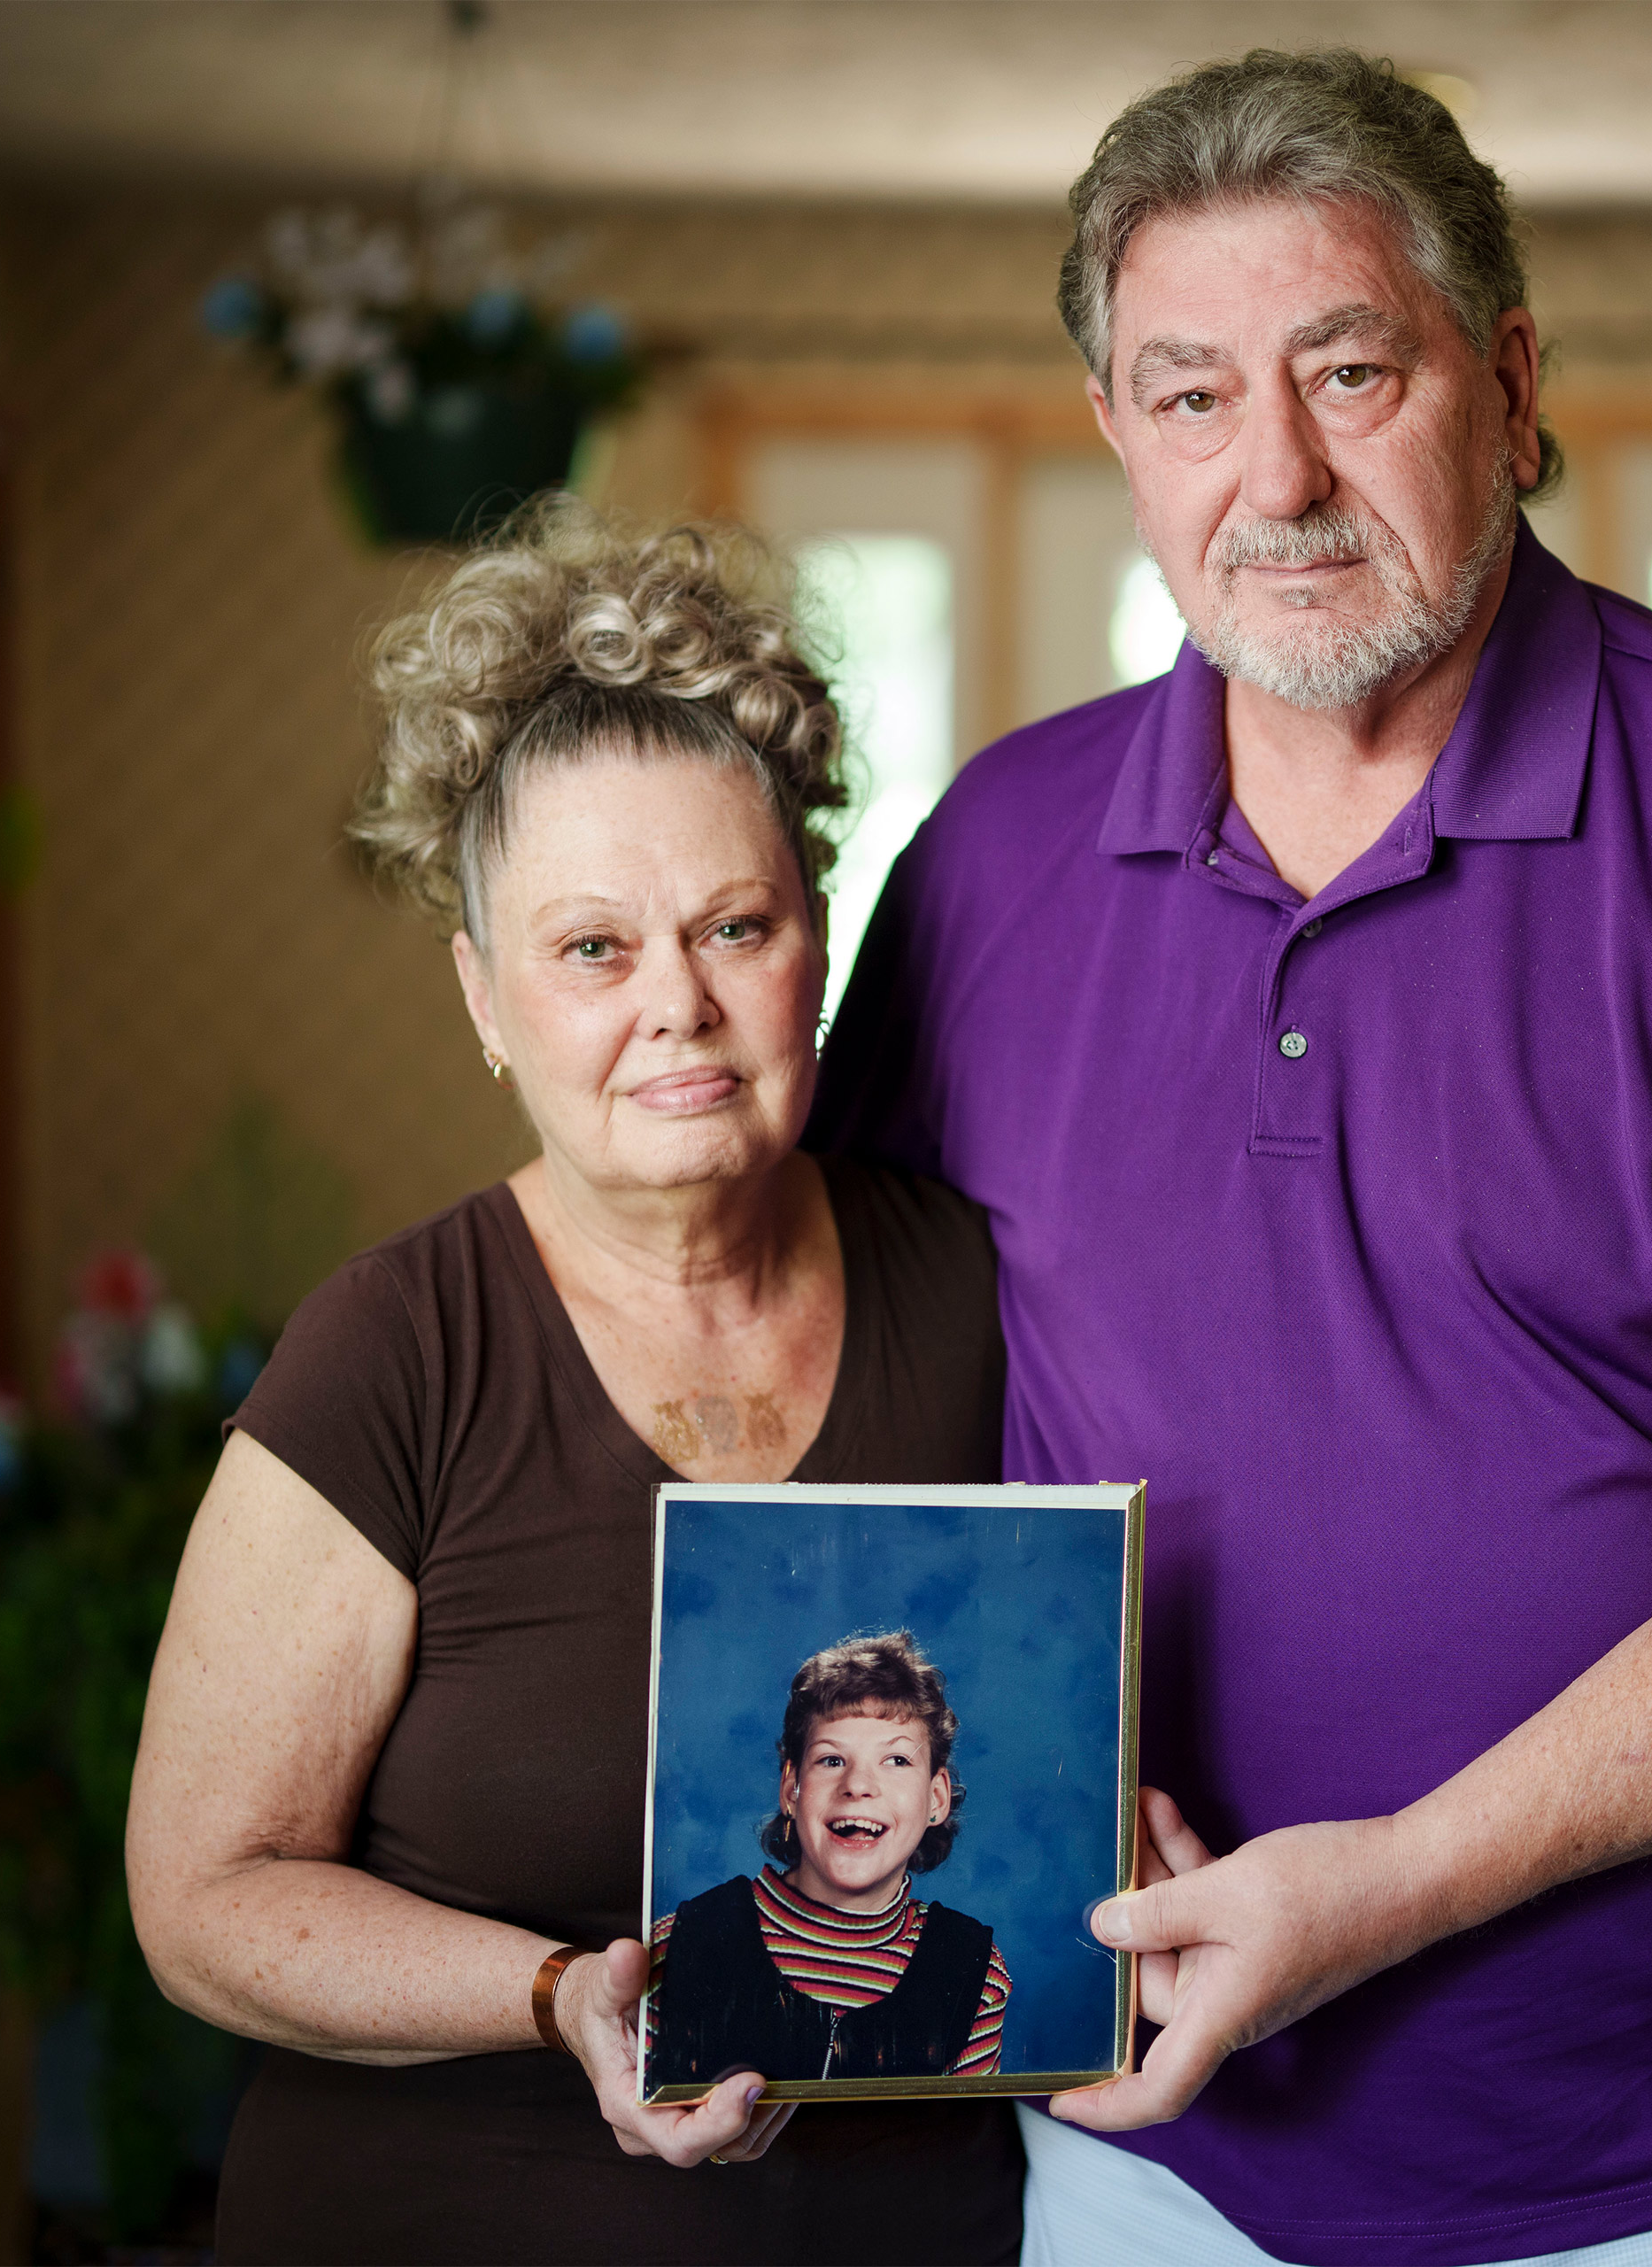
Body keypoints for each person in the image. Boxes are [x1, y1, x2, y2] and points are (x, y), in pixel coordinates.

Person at [811, 50, 1652, 2267]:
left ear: (1505, 381)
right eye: (1189, 395)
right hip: (1136, 2126)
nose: (1275, 475)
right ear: (1119, 434)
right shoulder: (988, 857)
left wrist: (1392, 1878)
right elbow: (848, 1409)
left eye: (1348, 369)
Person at [123, 506, 1022, 2264]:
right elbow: (204, 1896)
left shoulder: (977, 1291)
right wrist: (557, 1992)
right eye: (593, 948)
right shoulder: (393, 1352)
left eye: (734, 926)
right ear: (485, 995)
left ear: (815, 937)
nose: (678, 1005)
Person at [646, 1630, 1010, 2087]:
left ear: (936, 1798)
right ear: (791, 1790)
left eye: (896, 1760)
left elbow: (955, 2140)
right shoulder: (681, 1942)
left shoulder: (974, 1972)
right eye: (832, 1760)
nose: (858, 1785)